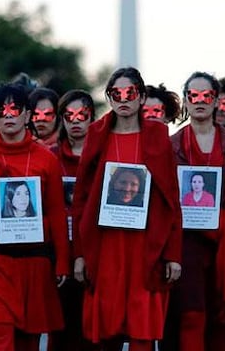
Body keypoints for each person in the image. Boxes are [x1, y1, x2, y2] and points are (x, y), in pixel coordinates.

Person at [72, 67, 182, 351]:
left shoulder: (158, 136)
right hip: (106, 243)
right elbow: (82, 196)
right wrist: (80, 254)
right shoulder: (97, 134)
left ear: (141, 97)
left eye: (130, 92)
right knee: (107, 325)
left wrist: (173, 254)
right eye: (115, 93)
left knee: (142, 326)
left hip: (145, 244)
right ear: (108, 98)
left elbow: (171, 199)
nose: (123, 98)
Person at [0, 83, 70, 350]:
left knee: (28, 343)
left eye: (15, 109)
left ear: (27, 115)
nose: (9, 115)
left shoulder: (47, 160)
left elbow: (57, 212)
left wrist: (63, 262)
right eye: (2, 110)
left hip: (34, 264)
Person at [163, 71, 225, 351]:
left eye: (207, 96)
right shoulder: (172, 145)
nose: (200, 100)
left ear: (217, 102)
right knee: (191, 313)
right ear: (186, 102)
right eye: (193, 95)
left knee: (222, 315)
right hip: (186, 240)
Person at [47, 89, 96, 351]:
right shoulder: (50, 156)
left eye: (82, 115)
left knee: (90, 330)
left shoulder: (102, 156)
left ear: (91, 118)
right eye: (69, 115)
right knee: (60, 330)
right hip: (58, 253)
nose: (76, 120)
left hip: (94, 252)